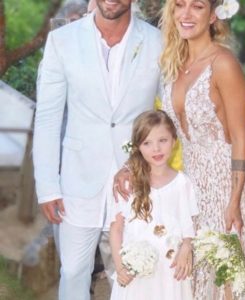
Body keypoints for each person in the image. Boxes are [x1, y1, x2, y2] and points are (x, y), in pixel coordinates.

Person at [114, 0, 245, 299]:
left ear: (212, 15)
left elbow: (239, 138)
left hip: (228, 184)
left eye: (196, 7)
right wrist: (129, 165)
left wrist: (234, 201)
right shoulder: (173, 64)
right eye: (179, 5)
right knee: (192, 280)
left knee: (227, 284)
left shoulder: (224, 63)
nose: (186, 14)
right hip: (192, 186)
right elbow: (160, 131)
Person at [32, 0, 162, 299]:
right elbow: (48, 117)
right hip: (78, 181)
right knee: (74, 271)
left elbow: (166, 113)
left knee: (132, 271)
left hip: (135, 180)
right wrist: (48, 186)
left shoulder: (158, 41)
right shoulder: (62, 40)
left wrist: (141, 163)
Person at [110, 110, 198, 300]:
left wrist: (186, 248)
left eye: (162, 140)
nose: (156, 149)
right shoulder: (127, 184)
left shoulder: (182, 183)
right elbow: (116, 229)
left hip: (170, 271)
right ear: (137, 147)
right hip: (136, 272)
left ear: (174, 141)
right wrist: (120, 266)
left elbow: (187, 226)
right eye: (147, 143)